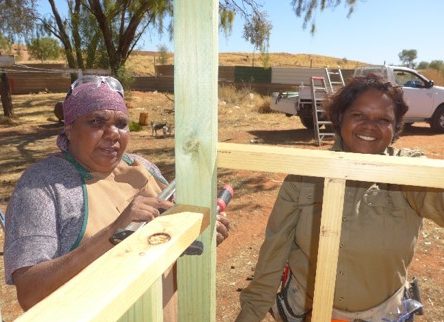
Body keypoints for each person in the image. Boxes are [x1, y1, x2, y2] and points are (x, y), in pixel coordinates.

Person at [3, 76, 230, 314]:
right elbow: (29, 292)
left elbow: (168, 244)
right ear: (69, 129)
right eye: (96, 121)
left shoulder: (143, 167)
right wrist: (113, 233)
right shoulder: (42, 186)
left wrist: (199, 234)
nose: (113, 134)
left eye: (121, 124)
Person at [236, 75, 444, 321]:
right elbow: (273, 254)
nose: (370, 125)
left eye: (384, 119)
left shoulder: (409, 171)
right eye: (359, 115)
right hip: (304, 309)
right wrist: (249, 314)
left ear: (396, 126)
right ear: (339, 118)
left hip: (381, 313)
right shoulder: (306, 174)